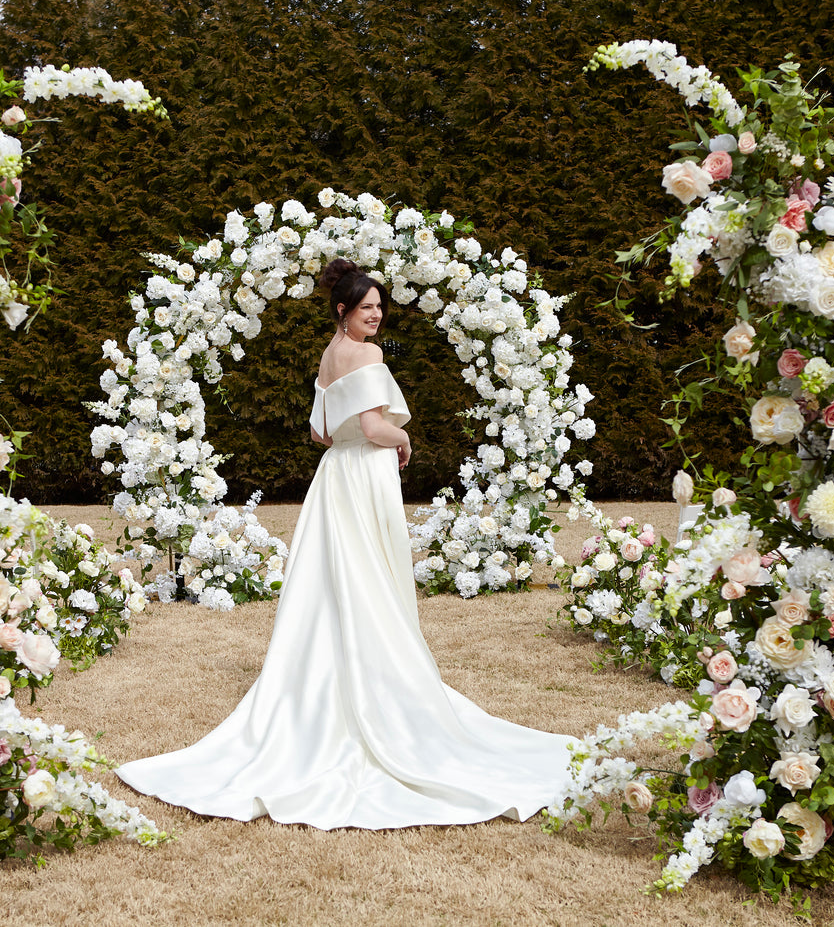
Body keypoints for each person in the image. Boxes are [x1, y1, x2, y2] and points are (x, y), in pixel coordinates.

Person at [116, 258, 574, 829]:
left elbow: (319, 433)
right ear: (343, 310)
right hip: (366, 473)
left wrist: (365, 433)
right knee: (370, 576)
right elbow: (377, 427)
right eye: (367, 308)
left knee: (336, 579)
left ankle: (331, 673)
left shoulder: (329, 357)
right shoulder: (369, 356)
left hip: (335, 474)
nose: (377, 316)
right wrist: (403, 439)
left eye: (380, 308)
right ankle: (381, 679)